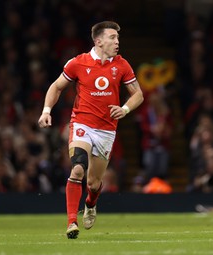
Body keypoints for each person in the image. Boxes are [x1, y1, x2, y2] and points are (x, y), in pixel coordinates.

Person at [37, 21, 144, 239]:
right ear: (99, 41)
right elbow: (56, 86)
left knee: (94, 183)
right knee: (77, 169)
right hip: (81, 123)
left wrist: (124, 109)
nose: (117, 42)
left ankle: (91, 203)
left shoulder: (122, 65)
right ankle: (71, 222)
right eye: (113, 37)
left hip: (106, 130)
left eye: (117, 38)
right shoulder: (78, 63)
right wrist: (46, 110)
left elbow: (138, 94)